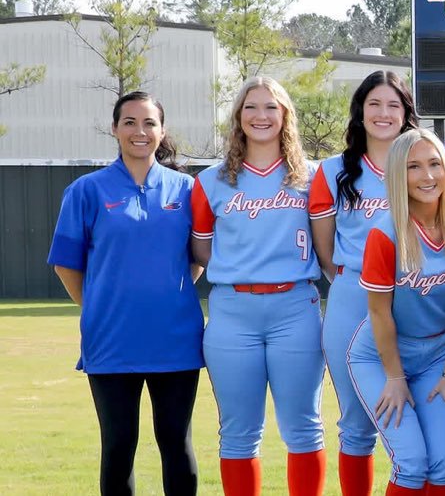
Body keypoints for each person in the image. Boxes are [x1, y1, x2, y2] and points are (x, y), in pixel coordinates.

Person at [49, 91, 204, 496]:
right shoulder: (86, 190)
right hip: (111, 341)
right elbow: (66, 263)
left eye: (149, 123)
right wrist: (99, 303)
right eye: (130, 122)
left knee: (176, 442)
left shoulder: (187, 190)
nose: (140, 131)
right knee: (118, 446)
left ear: (162, 130)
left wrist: (170, 290)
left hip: (176, 341)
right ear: (115, 129)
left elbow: (198, 256)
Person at [189, 77, 326, 496]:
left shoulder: (313, 176)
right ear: (238, 117)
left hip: (295, 307)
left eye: (271, 107)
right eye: (251, 107)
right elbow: (201, 249)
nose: (261, 115)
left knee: (303, 427)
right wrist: (241, 269)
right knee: (238, 431)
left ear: (285, 115)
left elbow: (327, 245)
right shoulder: (210, 181)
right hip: (233, 312)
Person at [349, 128, 445, 495]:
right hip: (381, 359)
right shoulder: (385, 234)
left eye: (435, 164)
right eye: (414, 167)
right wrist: (395, 379)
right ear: (399, 175)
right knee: (412, 462)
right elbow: (380, 314)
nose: (428, 176)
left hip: (437, 358)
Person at [307, 70, 419, 496]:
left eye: (393, 104)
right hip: (353, 293)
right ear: (360, 111)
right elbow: (325, 250)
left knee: (414, 412)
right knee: (355, 423)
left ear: (406, 113)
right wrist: (356, 281)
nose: (384, 113)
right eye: (375, 104)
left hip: (414, 292)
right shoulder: (333, 171)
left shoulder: (423, 162)